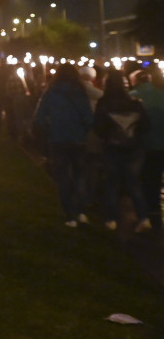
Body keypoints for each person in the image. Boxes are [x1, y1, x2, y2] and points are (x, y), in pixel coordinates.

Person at [33, 64, 95, 227]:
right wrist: (82, 130)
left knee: (63, 178)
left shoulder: (50, 93)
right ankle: (81, 211)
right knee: (80, 175)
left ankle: (70, 215)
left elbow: (39, 117)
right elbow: (89, 117)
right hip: (78, 139)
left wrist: (50, 129)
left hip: (58, 139)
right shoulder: (80, 92)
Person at [93, 70, 152, 232]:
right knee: (134, 184)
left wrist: (107, 136)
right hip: (134, 149)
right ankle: (143, 218)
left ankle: (111, 219)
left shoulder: (103, 103)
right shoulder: (135, 103)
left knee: (112, 184)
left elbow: (98, 127)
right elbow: (146, 125)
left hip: (112, 147)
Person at [131, 65, 164, 232]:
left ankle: (145, 213)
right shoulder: (161, 95)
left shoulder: (132, 97)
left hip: (141, 145)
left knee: (142, 179)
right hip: (161, 144)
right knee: (156, 178)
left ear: (134, 82)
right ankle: (155, 210)